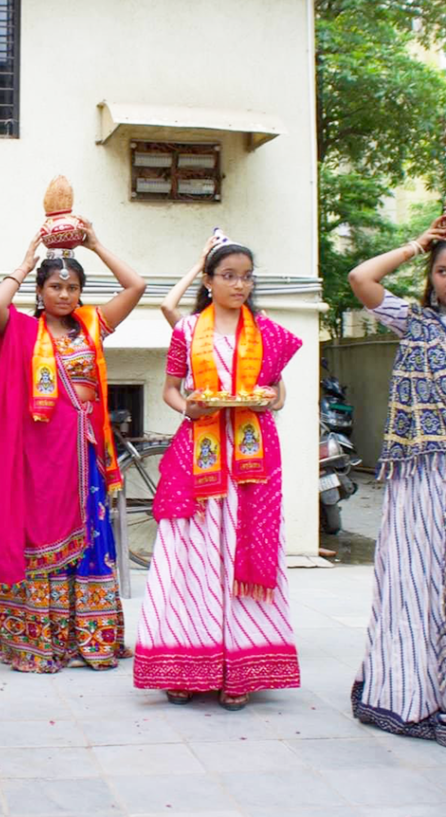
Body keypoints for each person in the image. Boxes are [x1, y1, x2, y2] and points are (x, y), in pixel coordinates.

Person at [132, 237, 301, 710]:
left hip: (251, 458)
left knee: (241, 549)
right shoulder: (187, 329)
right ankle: (184, 664)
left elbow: (279, 395)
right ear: (208, 281)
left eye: (247, 276)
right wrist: (190, 406)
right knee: (191, 554)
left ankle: (240, 670)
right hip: (199, 453)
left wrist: (264, 398)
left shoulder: (266, 331)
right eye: (229, 275)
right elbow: (170, 390)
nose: (240, 284)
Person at [0, 222, 146, 673]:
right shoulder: (20, 331)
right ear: (39, 291)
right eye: (55, 286)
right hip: (38, 455)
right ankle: (40, 636)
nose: (64, 294)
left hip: (84, 450)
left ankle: (88, 638)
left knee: (92, 533)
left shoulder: (92, 326)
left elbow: (137, 285)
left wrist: (95, 243)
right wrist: (26, 259)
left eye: (72, 287)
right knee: (40, 533)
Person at [347, 223, 446, 747]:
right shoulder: (415, 322)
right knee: (417, 580)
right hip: (423, 472)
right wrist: (418, 242)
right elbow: (360, 276)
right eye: (442, 271)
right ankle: (409, 692)